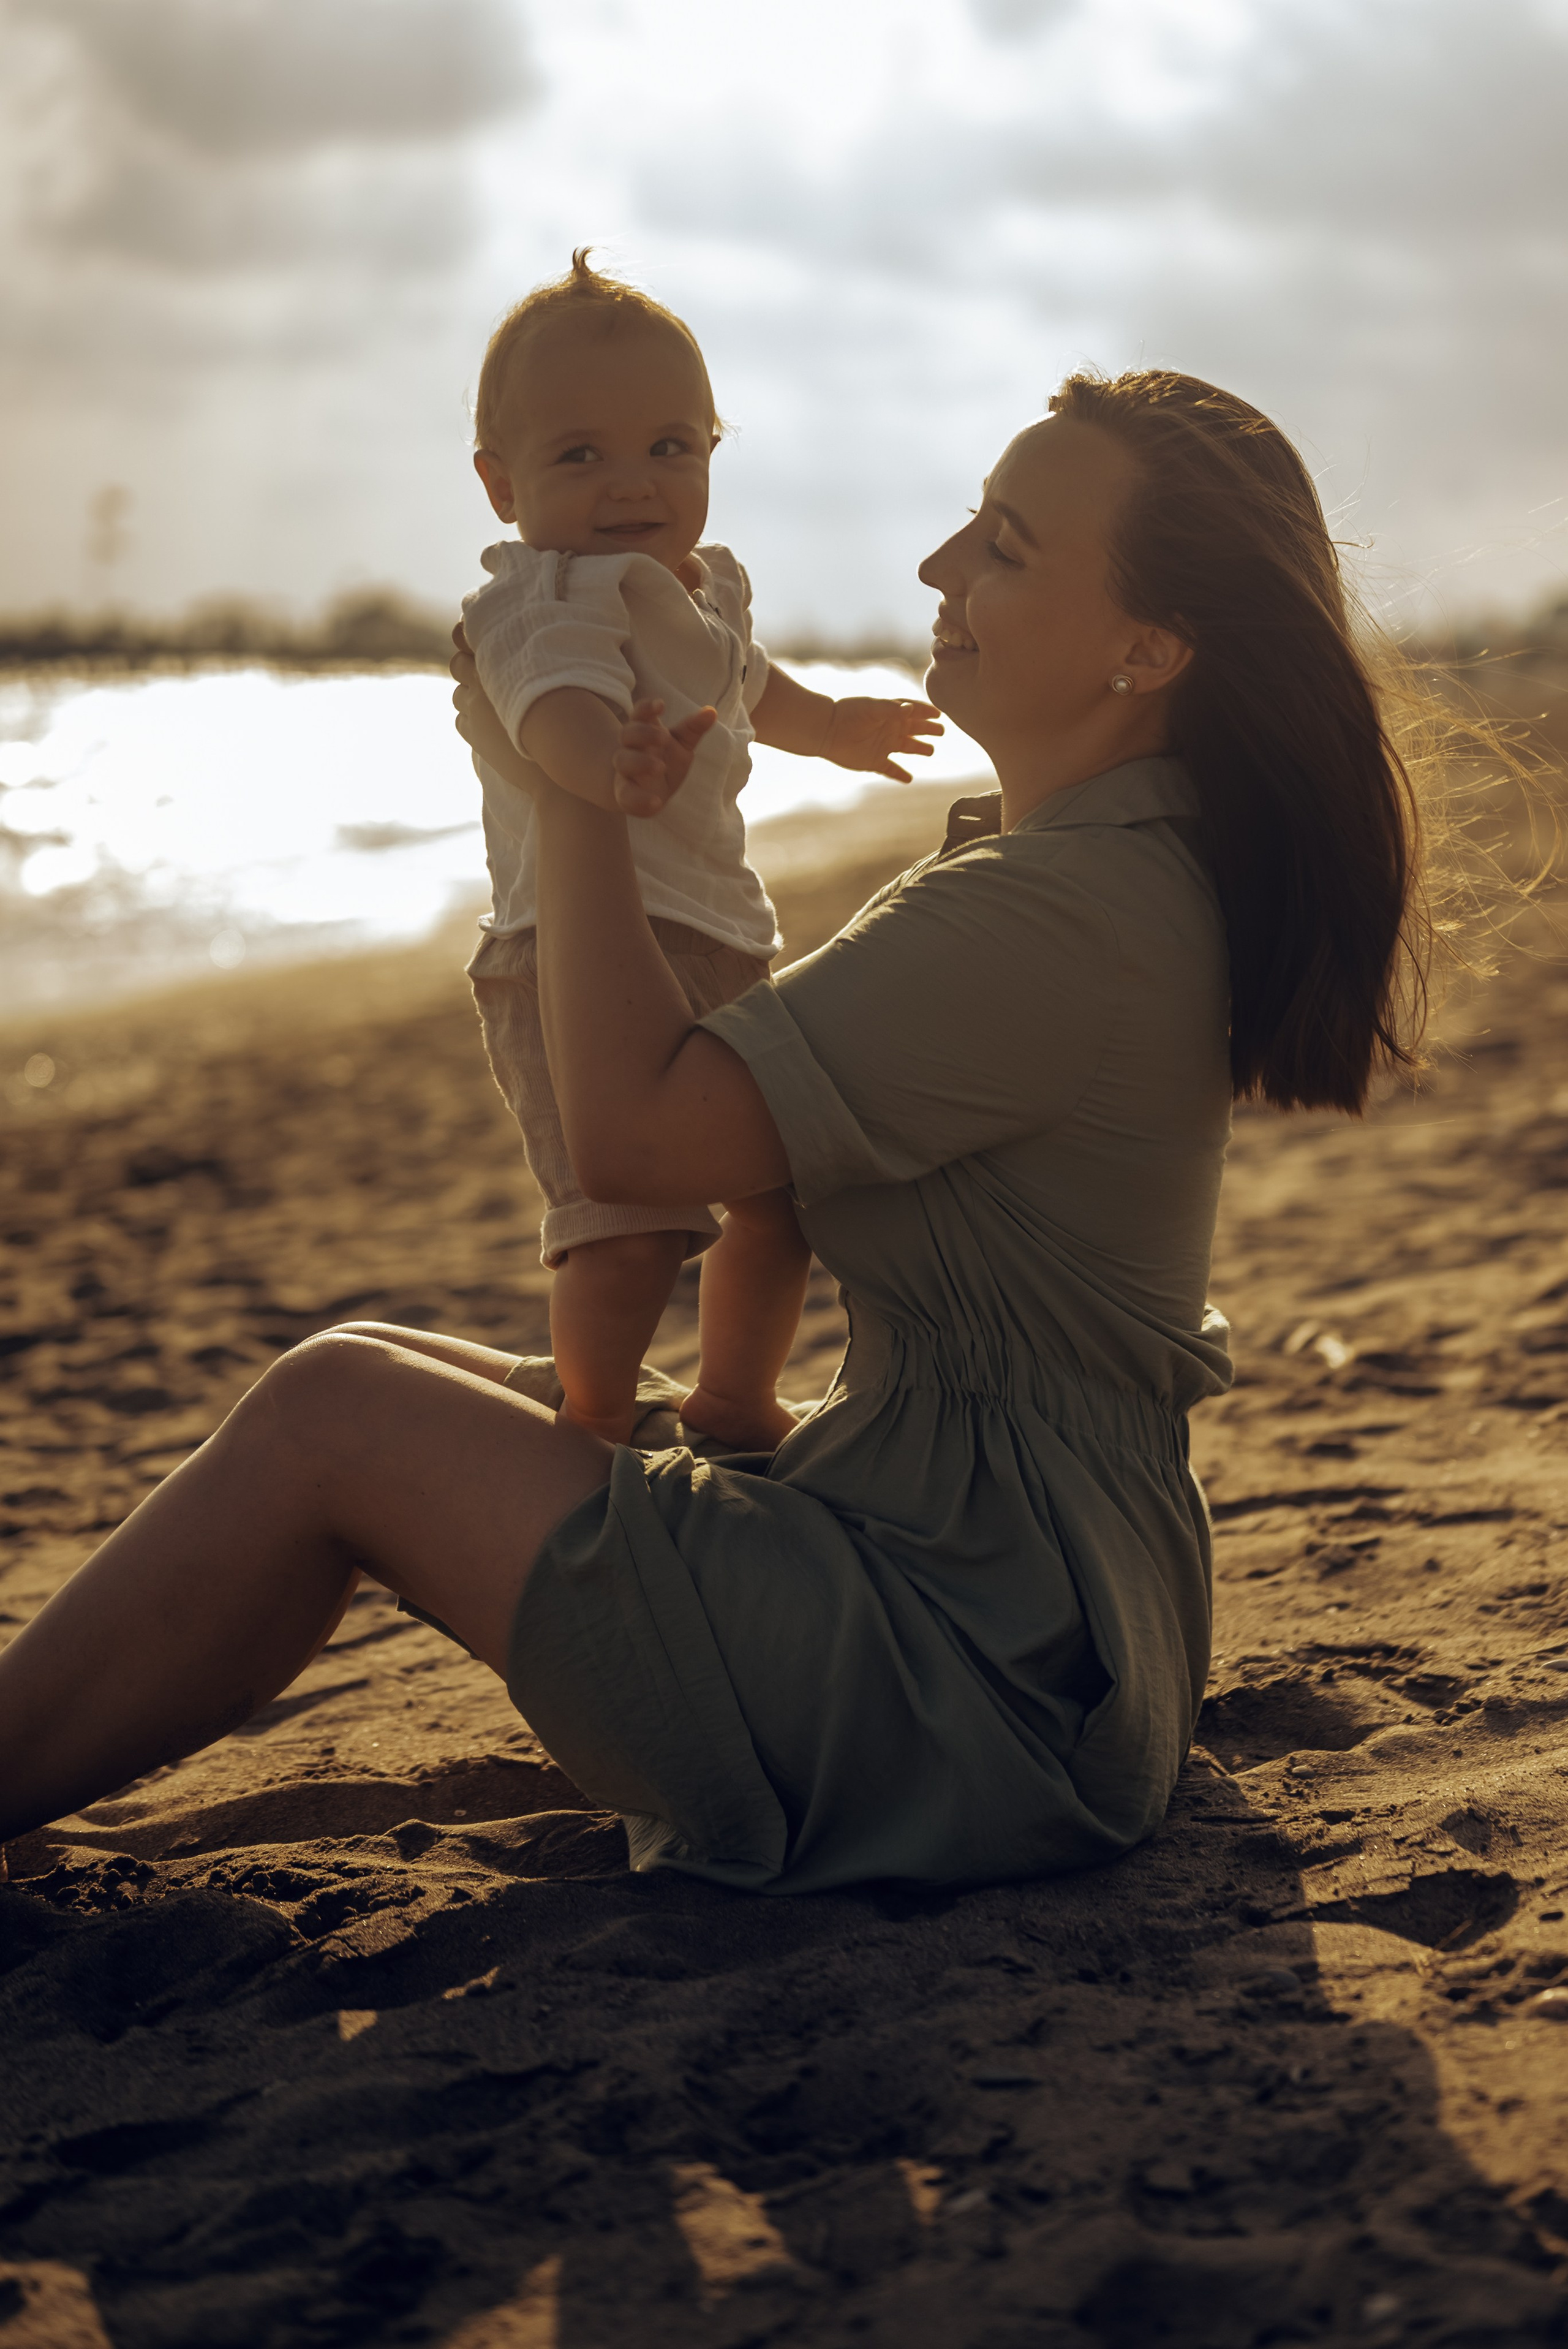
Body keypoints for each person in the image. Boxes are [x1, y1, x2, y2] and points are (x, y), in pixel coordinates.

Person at [0, 371, 1431, 1892]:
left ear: (1146, 648)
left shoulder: (1055, 916)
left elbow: (633, 1138)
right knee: (421, 1375)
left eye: (1003, 546)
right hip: (1028, 1612)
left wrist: (574, 792)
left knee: (333, 1409)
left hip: (976, 1681)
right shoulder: (1099, 869)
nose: (939, 570)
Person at [461, 251, 941, 1449]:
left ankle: (730, 1398)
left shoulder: (710, 587)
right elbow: (549, 705)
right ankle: (597, 1420)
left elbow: (745, 684)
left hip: (724, 941)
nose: (632, 484)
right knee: (622, 1224)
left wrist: (834, 727)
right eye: (580, 455)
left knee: (779, 1201)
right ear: (498, 485)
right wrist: (601, 766)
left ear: (713, 453)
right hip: (563, 953)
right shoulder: (542, 595)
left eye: (669, 447)